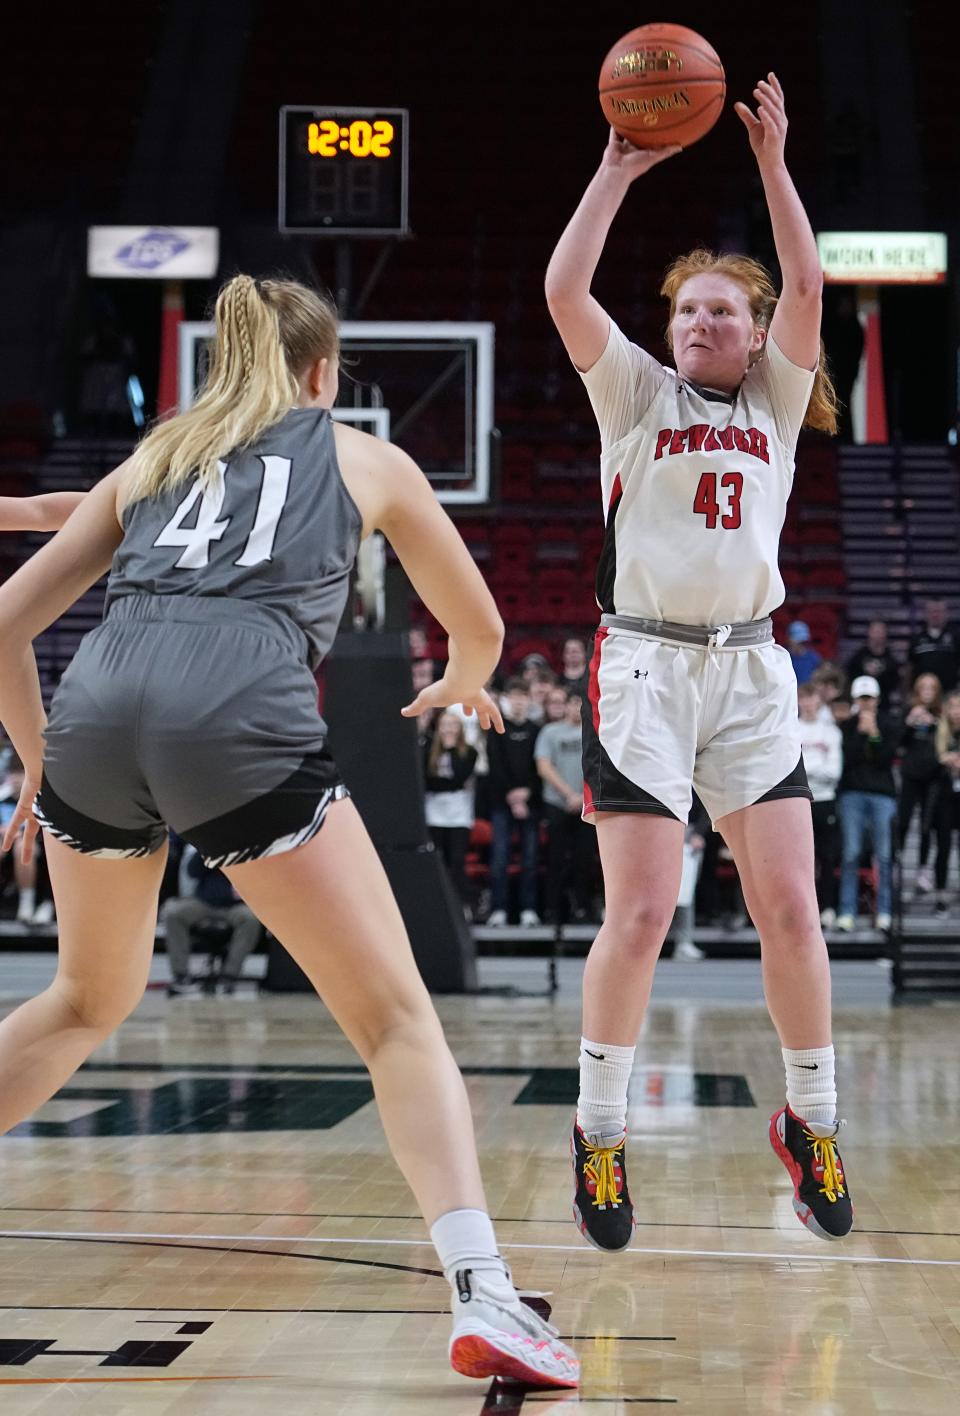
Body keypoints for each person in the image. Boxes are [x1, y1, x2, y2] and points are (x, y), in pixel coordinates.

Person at [0, 274, 577, 1389]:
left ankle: (488, 1291)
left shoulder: (158, 457)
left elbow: (7, 617)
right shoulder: (367, 459)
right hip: (233, 712)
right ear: (327, 373)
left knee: (85, 998)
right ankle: (484, 1291)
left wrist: (36, 758)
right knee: (398, 1021)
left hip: (98, 713)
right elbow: (483, 624)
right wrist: (461, 679)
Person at [545, 73, 852, 1251]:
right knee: (641, 915)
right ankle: (601, 1131)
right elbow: (565, 288)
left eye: (723, 312)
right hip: (646, 673)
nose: (701, 325)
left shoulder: (774, 399)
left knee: (790, 907)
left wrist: (773, 163)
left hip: (751, 674)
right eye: (688, 312)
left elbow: (811, 283)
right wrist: (618, 172)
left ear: (756, 330)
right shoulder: (633, 393)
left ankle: (812, 1117)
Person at [835, 677, 899, 932]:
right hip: (852, 793)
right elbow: (849, 759)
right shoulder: (847, 726)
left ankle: (884, 911)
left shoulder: (887, 724)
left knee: (884, 856)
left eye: (869, 698)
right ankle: (846, 911)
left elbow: (885, 759)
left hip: (882, 794)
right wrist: (861, 735)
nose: (865, 703)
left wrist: (874, 735)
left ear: (877, 700)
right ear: (855, 700)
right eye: (861, 699)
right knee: (851, 854)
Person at [163, 844, 263, 995]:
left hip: (235, 905)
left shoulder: (248, 844)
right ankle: (181, 975)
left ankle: (229, 975)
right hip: (204, 902)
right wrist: (206, 849)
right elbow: (192, 871)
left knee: (251, 918)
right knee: (173, 913)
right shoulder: (209, 841)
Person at [485, 678, 542, 927]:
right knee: (500, 857)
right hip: (501, 802)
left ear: (529, 700)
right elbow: (495, 766)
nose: (518, 701)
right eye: (514, 696)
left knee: (530, 858)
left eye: (522, 696)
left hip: (531, 803)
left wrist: (526, 794)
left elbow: (540, 766)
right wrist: (512, 795)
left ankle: (529, 909)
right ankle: (499, 908)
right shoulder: (496, 728)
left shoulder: (537, 730)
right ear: (506, 699)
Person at [535, 691, 595, 924]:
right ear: (566, 706)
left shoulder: (594, 732)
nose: (576, 708)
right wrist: (570, 794)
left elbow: (600, 765)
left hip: (587, 804)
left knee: (584, 859)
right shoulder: (550, 732)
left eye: (581, 703)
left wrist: (582, 796)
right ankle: (552, 910)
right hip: (557, 803)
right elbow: (543, 766)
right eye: (573, 703)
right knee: (555, 859)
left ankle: (582, 909)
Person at [423, 710, 478, 915]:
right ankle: (438, 905)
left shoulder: (469, 752)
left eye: (453, 724)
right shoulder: (428, 749)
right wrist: (443, 784)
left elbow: (459, 777)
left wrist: (450, 749)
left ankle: (462, 904)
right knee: (437, 860)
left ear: (460, 728)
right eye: (445, 724)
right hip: (433, 813)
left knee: (457, 861)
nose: (448, 729)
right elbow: (425, 780)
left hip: (458, 814)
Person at [797, 682, 842, 928]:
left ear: (818, 701)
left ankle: (828, 908)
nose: (807, 703)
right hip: (799, 801)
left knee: (827, 857)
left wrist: (807, 771)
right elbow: (789, 770)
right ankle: (805, 911)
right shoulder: (790, 729)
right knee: (800, 861)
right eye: (802, 698)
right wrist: (815, 770)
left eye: (811, 698)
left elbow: (834, 772)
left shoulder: (831, 731)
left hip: (825, 800)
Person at [898, 674, 943, 896]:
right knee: (903, 821)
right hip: (910, 774)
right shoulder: (909, 711)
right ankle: (896, 864)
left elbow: (944, 743)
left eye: (931, 687)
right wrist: (909, 724)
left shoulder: (941, 714)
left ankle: (924, 870)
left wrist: (933, 724)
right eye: (923, 687)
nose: (927, 691)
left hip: (933, 776)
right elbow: (898, 743)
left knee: (927, 825)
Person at [932, 692, 960, 914]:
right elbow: (924, 764)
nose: (956, 712)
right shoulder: (939, 733)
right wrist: (944, 761)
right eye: (952, 707)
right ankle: (940, 895)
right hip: (944, 796)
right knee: (943, 846)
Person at [845, 619, 900, 710]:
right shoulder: (858, 657)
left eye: (880, 631)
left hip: (883, 706)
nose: (877, 635)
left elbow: (894, 683)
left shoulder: (891, 660)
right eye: (874, 631)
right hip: (861, 704)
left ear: (885, 634)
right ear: (868, 633)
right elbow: (850, 678)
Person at [909, 601, 959, 691]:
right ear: (926, 614)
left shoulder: (956, 637)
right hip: (923, 694)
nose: (935, 615)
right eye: (932, 611)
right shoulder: (916, 639)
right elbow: (909, 668)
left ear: (946, 614)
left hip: (950, 694)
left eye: (939, 611)